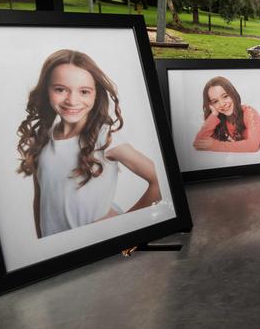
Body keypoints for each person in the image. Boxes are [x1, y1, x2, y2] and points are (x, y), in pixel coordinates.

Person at [17, 49, 161, 238]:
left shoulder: (104, 139)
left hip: (99, 244)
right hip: (59, 248)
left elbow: (159, 180)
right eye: (60, 89)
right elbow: (41, 198)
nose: (72, 100)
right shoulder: (41, 138)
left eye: (84, 91)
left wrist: (124, 223)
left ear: (95, 95)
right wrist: (42, 242)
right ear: (47, 90)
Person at [193, 75, 260, 153]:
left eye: (225, 96)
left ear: (233, 94)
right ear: (210, 104)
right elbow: (199, 142)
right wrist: (214, 114)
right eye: (215, 101)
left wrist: (214, 145)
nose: (222, 104)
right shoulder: (219, 119)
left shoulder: (249, 112)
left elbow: (252, 146)